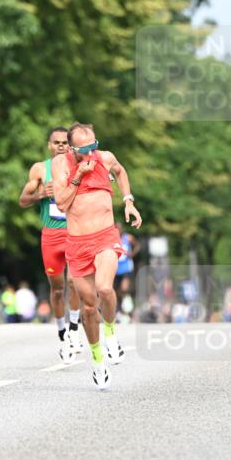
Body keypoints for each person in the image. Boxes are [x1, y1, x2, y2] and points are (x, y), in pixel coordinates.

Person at [52, 122, 142, 390]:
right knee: (89, 306)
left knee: (104, 288)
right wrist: (78, 175)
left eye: (94, 145)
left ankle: (111, 333)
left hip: (105, 237)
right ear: (71, 149)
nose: (91, 153)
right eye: (85, 149)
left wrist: (128, 201)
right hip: (77, 244)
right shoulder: (61, 165)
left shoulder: (105, 158)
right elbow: (61, 203)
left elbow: (120, 171)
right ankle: (97, 359)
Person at [18, 126, 82, 363]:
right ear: (50, 145)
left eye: (65, 142)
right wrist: (41, 195)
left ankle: (74, 327)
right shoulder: (40, 169)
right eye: (57, 142)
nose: (61, 146)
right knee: (57, 288)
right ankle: (62, 331)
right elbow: (22, 200)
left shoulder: (78, 165)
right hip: (51, 236)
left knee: (75, 281)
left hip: (75, 232)